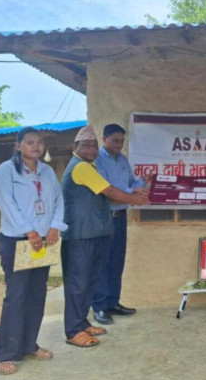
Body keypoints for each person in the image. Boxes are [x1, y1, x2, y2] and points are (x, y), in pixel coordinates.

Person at [61, 125, 149, 348]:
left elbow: (116, 188)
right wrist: (135, 199)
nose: (92, 150)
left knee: (88, 280)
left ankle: (82, 322)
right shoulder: (81, 167)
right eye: (87, 146)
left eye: (94, 146)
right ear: (76, 146)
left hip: (94, 232)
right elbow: (108, 191)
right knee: (78, 283)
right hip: (81, 235)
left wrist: (135, 192)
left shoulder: (89, 166)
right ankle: (73, 330)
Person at [0, 127, 66, 375]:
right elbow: (7, 205)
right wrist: (30, 232)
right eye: (30, 142)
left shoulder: (47, 172)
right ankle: (6, 353)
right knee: (16, 296)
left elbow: (58, 200)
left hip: (43, 241)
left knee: (36, 293)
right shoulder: (6, 171)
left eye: (39, 142)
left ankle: (29, 344)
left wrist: (55, 226)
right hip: (18, 241)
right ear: (18, 146)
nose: (36, 146)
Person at [92, 123, 152, 325]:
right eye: (115, 140)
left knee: (116, 261)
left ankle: (112, 302)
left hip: (121, 216)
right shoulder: (97, 161)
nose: (118, 145)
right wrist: (132, 193)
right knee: (102, 263)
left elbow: (130, 185)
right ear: (104, 139)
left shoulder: (123, 160)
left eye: (121, 141)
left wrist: (142, 182)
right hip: (104, 216)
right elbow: (107, 190)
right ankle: (99, 307)